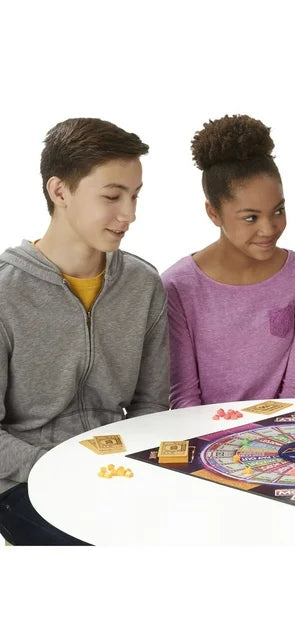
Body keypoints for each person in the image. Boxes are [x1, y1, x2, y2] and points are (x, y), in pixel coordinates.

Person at [0, 118, 169, 545]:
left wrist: (127, 465)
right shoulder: (5, 293)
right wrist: (64, 467)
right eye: (112, 196)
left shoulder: (142, 284)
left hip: (117, 467)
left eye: (134, 195)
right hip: (24, 479)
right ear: (60, 192)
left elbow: (151, 403)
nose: (129, 214)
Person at [162, 115, 295, 407]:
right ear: (213, 213)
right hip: (200, 429)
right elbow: (184, 397)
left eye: (278, 211)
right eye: (251, 218)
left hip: (281, 429)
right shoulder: (176, 286)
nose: (269, 228)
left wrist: (268, 436)